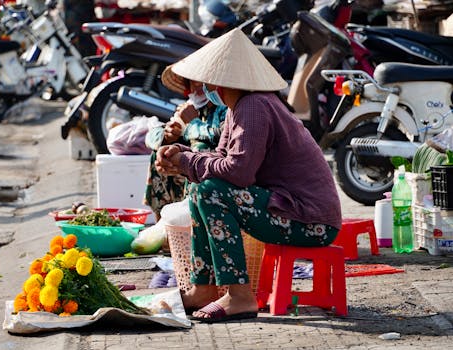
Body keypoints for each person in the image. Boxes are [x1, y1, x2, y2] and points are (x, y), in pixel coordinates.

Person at [154, 28, 342, 323]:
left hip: (310, 221)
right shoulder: (238, 107)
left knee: (209, 192)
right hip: (288, 208)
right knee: (199, 190)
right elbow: (221, 157)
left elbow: (237, 172)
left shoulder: (254, 106)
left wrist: (187, 160)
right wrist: (181, 157)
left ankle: (239, 296)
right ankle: (203, 288)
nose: (203, 86)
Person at [144, 73, 227, 221]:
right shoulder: (189, 107)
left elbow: (220, 136)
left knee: (199, 147)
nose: (197, 85)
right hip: (187, 165)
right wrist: (168, 135)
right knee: (161, 152)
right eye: (192, 82)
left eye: (201, 82)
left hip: (212, 166)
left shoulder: (224, 108)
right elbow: (151, 137)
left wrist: (193, 123)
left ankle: (194, 218)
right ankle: (163, 224)